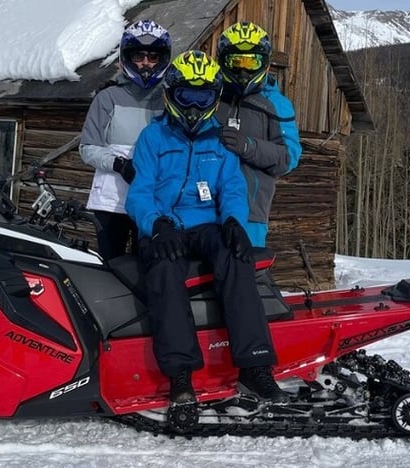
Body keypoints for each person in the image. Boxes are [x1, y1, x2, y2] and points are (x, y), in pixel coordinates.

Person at [125, 50, 292, 428]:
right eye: (188, 95)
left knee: (237, 258)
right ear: (172, 93)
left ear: (213, 97)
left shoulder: (219, 139)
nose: (196, 104)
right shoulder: (153, 137)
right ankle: (180, 377)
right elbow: (139, 192)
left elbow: (231, 187)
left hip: (206, 225)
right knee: (164, 272)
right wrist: (155, 224)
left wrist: (234, 222)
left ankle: (255, 365)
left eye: (203, 96)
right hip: (165, 226)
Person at [79, 20, 171, 261]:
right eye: (139, 56)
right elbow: (88, 148)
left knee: (150, 264)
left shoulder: (169, 100)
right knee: (111, 266)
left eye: (153, 57)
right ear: (127, 58)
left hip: (152, 199)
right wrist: (119, 164)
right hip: (111, 201)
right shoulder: (107, 97)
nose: (145, 64)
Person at [215, 22, 301, 248]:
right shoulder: (210, 97)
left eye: (251, 62)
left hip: (250, 212)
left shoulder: (276, 104)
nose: (243, 72)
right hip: (202, 208)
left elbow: (288, 158)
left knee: (246, 275)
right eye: (236, 62)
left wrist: (248, 146)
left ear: (264, 62)